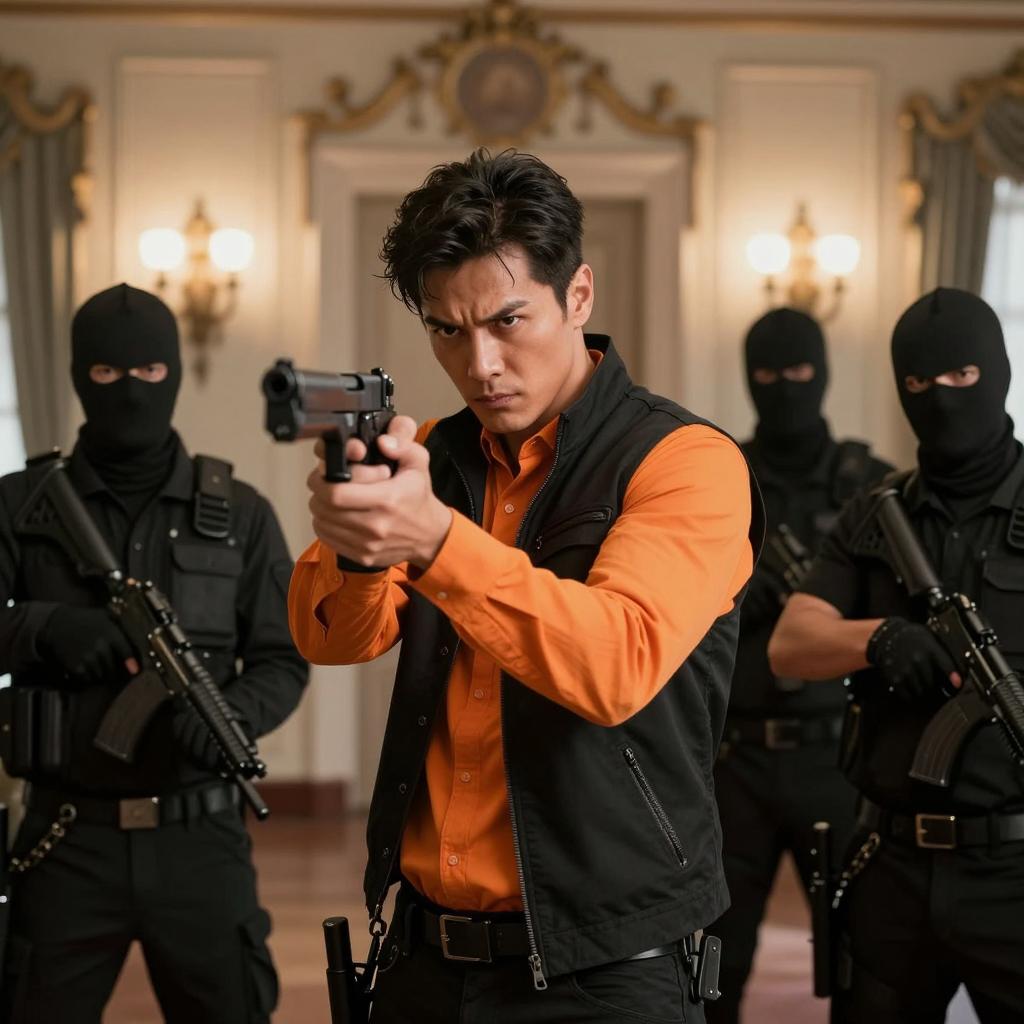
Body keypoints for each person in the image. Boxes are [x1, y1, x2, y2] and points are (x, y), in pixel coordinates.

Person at [288, 149, 762, 1023]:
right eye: (447, 330)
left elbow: (616, 664)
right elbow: (333, 640)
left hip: (606, 968)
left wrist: (434, 539)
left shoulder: (686, 461)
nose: (480, 365)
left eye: (508, 321)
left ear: (578, 296)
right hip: (421, 952)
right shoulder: (430, 451)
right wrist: (357, 548)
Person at [0, 284, 308, 1024]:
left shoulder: (240, 513)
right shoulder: (19, 504)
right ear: (79, 377)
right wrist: (45, 628)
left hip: (200, 835)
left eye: (149, 372)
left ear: (172, 372)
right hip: (66, 838)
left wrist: (231, 716)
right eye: (107, 374)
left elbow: (284, 659)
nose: (130, 392)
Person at [769, 288, 1024, 1022]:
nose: (942, 398)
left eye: (962, 377)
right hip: (892, 865)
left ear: (998, 372)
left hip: (1014, 869)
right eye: (919, 382)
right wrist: (878, 638)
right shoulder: (878, 511)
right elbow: (792, 643)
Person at [707, 309, 892, 1023]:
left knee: (862, 962)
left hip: (838, 758)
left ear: (824, 372)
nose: (784, 386)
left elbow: (895, 624)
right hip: (734, 761)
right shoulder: (714, 477)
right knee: (713, 964)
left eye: (799, 371)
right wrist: (735, 601)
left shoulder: (869, 486)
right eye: (767, 373)